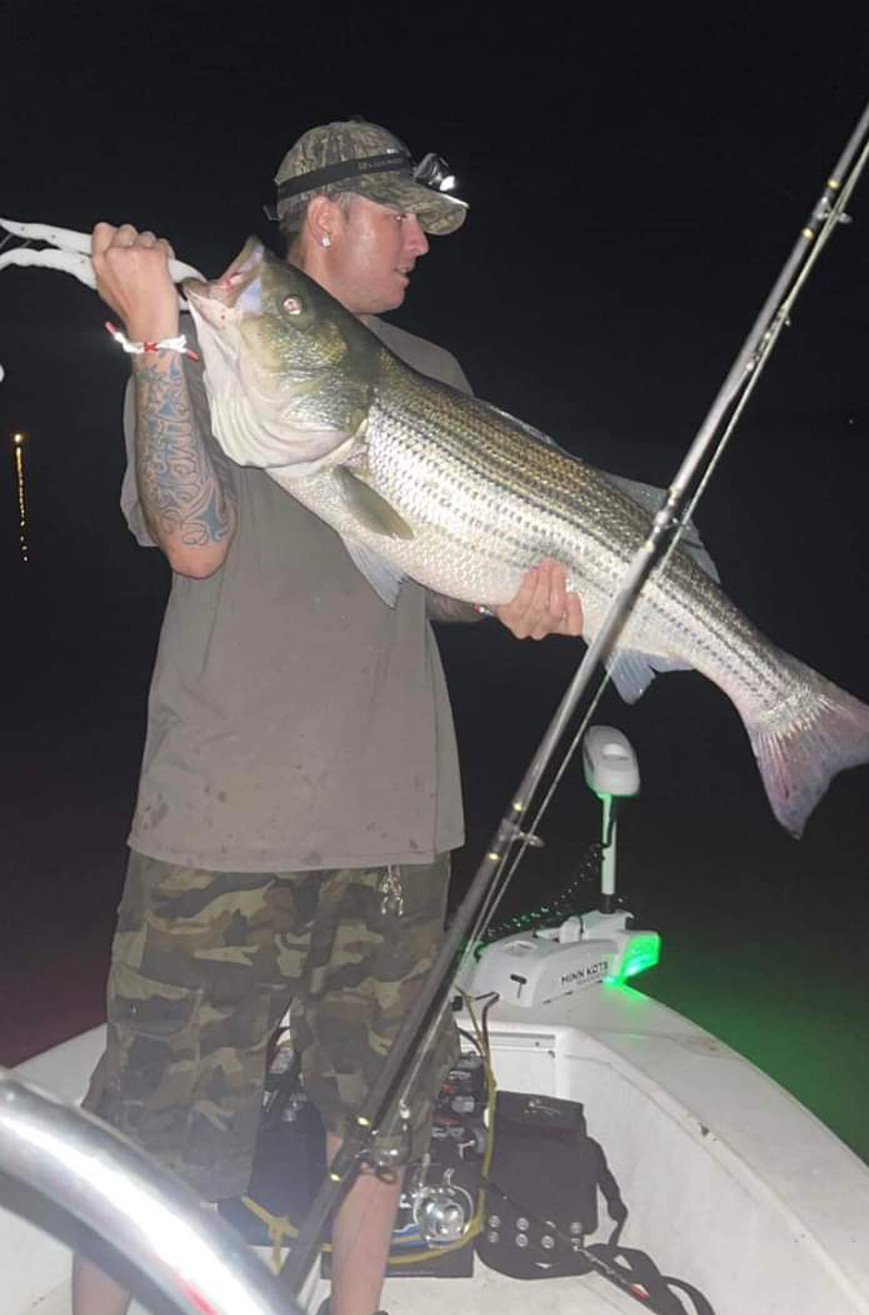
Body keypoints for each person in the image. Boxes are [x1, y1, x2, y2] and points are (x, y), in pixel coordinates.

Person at [75, 119, 583, 1315]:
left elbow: (442, 581)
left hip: (396, 815)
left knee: (382, 1114)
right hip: (220, 816)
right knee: (153, 1123)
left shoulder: (434, 374)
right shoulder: (200, 343)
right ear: (326, 221)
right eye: (401, 216)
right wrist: (156, 343)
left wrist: (516, 597)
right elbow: (194, 542)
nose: (420, 242)